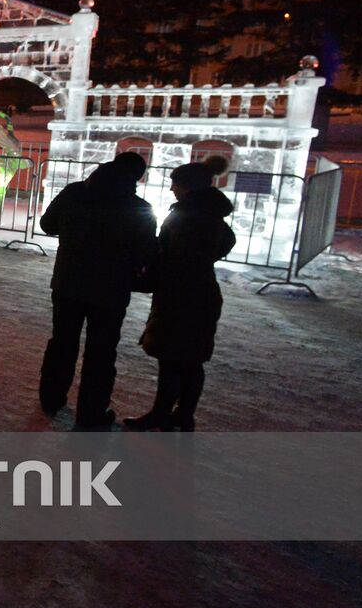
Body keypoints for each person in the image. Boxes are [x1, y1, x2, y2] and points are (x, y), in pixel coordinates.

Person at [37, 152, 158, 428]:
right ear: (138, 177)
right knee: (101, 353)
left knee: (62, 342)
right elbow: (145, 255)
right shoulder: (138, 208)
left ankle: (51, 397)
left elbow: (47, 224)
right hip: (110, 290)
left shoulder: (75, 193)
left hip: (68, 282)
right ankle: (91, 414)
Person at [125, 156, 235, 432]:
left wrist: (145, 276)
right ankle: (184, 415)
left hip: (180, 292)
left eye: (175, 184)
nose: (172, 189)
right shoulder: (211, 213)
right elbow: (226, 241)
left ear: (186, 186)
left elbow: (168, 255)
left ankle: (161, 414)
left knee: (172, 358)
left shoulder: (187, 215)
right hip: (202, 290)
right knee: (192, 359)